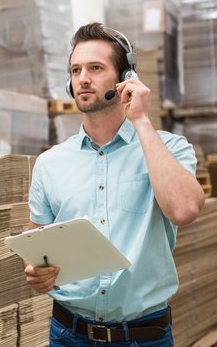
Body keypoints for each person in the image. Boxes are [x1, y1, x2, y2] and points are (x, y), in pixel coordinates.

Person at [24, 22, 206, 346]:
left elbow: (184, 209)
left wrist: (141, 120)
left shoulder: (169, 148)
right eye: (75, 69)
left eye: (95, 67)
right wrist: (37, 272)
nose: (82, 78)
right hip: (69, 334)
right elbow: (38, 247)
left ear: (126, 79)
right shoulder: (49, 163)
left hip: (144, 337)